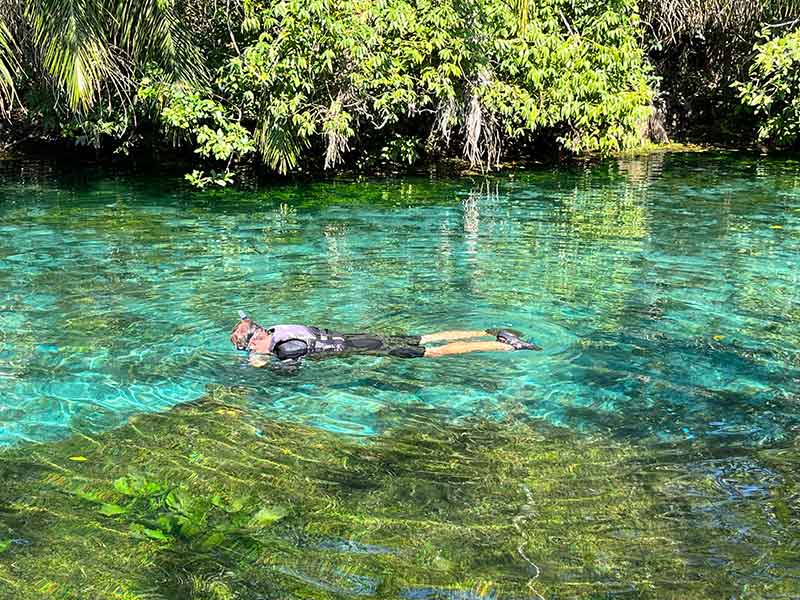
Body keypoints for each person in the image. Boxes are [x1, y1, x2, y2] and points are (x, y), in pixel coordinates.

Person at [230, 311, 541, 368]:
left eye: (247, 348)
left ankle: (502, 344)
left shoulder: (286, 348)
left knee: (432, 352)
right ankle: (488, 330)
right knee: (425, 336)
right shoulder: (277, 329)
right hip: (362, 337)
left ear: (255, 341)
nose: (249, 352)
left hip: (367, 347)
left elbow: (292, 370)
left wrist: (261, 364)